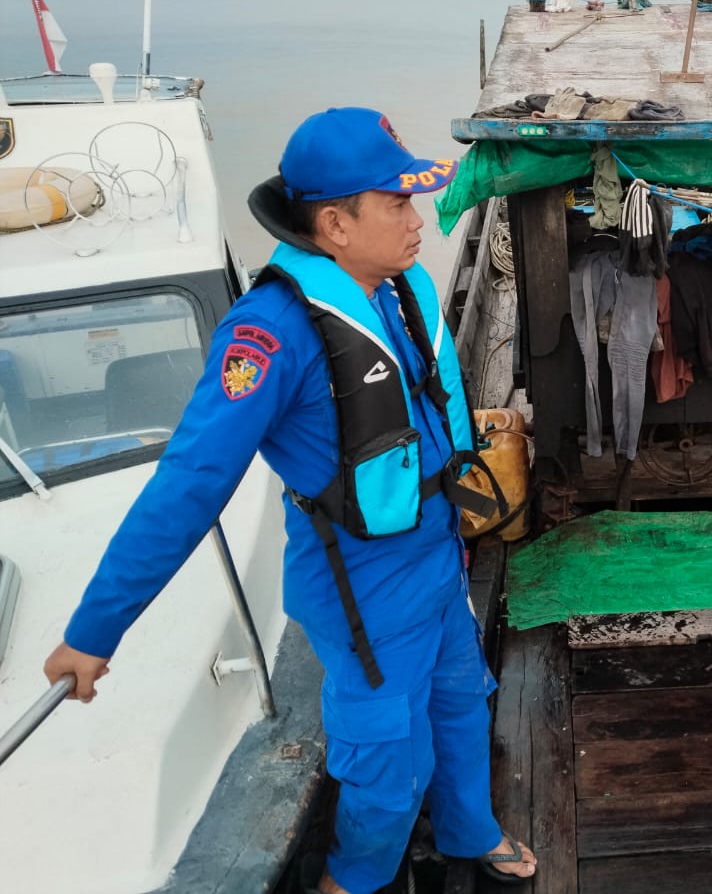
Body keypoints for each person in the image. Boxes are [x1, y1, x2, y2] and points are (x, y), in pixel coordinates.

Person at [42, 108, 537, 894]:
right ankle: (354, 881)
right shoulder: (270, 335)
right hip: (364, 592)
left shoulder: (393, 285)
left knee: (462, 702)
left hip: (439, 558)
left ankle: (471, 829)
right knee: (386, 761)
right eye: (398, 206)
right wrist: (95, 629)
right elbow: (188, 484)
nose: (419, 223)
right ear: (335, 224)